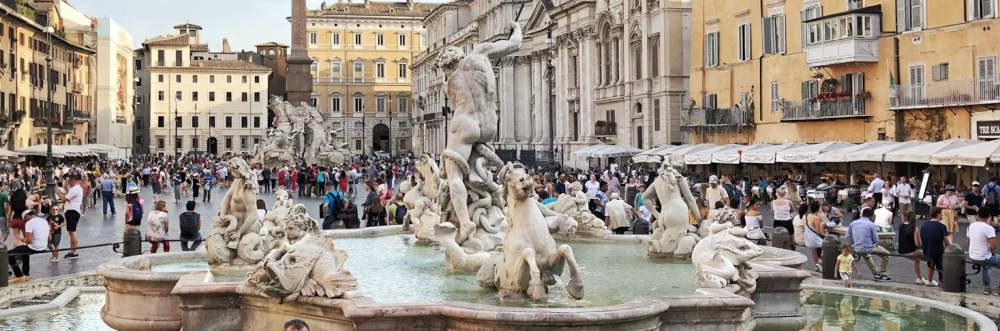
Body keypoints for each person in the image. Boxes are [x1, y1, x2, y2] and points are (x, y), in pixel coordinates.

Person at [846, 207, 892, 281]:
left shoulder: (853, 223)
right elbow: (876, 240)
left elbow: (848, 235)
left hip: (857, 247)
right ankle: (882, 273)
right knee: (886, 254)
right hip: (869, 247)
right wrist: (874, 245)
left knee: (866, 256)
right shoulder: (871, 225)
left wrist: (854, 243)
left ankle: (876, 273)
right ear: (871, 216)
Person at [8, 209, 49, 283]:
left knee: (9, 254)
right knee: (24, 251)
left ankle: (18, 275)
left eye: (25, 219)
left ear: (27, 216)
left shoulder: (29, 223)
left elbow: (29, 241)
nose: (25, 221)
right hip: (43, 247)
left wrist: (23, 240)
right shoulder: (44, 221)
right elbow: (50, 237)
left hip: (35, 248)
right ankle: (26, 275)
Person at [967, 207, 1000, 295]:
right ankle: (998, 289)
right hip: (985, 257)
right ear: (989, 216)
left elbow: (968, 241)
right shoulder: (988, 228)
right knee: (988, 260)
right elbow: (993, 246)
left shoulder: (971, 226)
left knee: (986, 265)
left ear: (977, 216)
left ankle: (987, 287)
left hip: (973, 256)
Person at [918, 207, 952, 287]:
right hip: (938, 250)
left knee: (930, 263)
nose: (942, 215)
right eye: (941, 214)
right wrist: (950, 247)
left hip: (926, 249)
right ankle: (943, 281)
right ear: (938, 214)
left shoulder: (924, 225)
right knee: (941, 266)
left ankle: (929, 280)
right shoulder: (941, 226)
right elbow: (946, 241)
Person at [53, 173, 82, 259]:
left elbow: (64, 199)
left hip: (72, 211)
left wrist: (58, 192)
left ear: (74, 180)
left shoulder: (75, 189)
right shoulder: (76, 189)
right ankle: (72, 250)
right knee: (71, 232)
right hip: (73, 211)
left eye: (69, 181)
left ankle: (74, 251)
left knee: (72, 232)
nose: (68, 183)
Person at [898, 210, 929, 285]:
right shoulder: (915, 229)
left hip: (901, 250)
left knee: (917, 260)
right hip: (911, 251)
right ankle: (928, 278)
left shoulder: (901, 226)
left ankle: (920, 278)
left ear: (905, 217)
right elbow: (918, 244)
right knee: (930, 257)